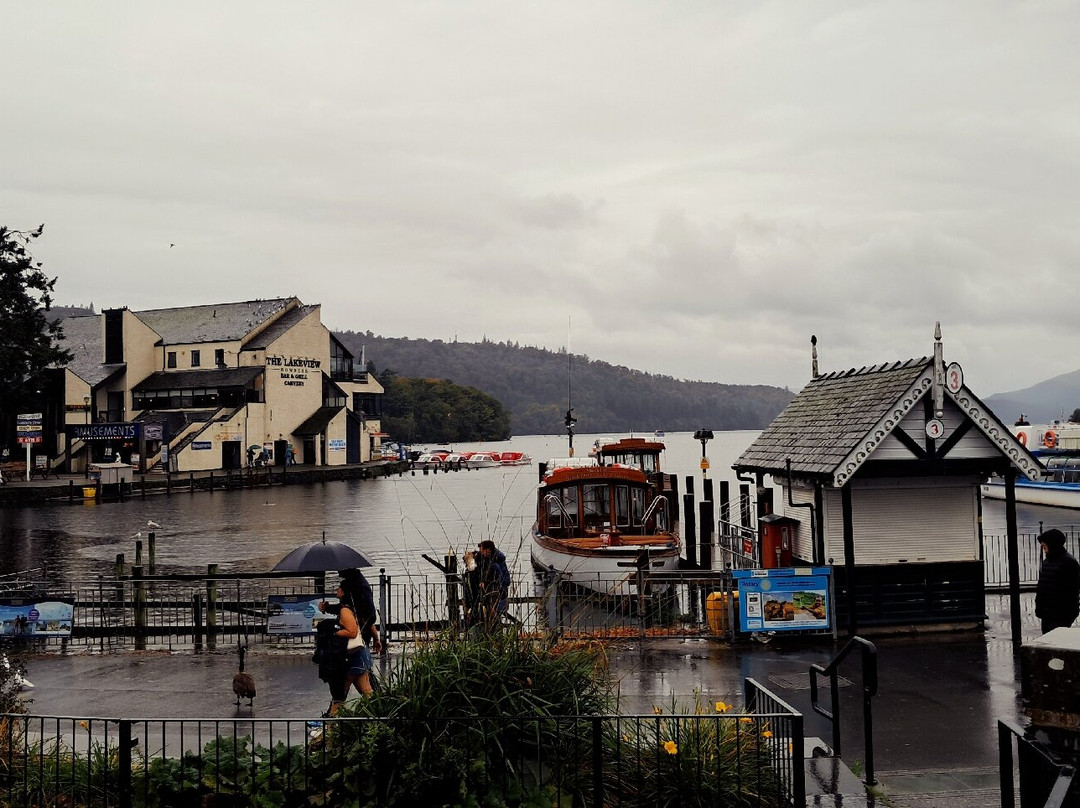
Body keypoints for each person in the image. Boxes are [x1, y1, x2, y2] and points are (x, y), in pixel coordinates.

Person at [316, 569, 382, 714]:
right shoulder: (356, 600)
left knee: (340, 692)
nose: (336, 590)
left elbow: (353, 630)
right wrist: (376, 639)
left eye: (339, 588)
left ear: (345, 592)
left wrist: (334, 632)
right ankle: (380, 714)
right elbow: (368, 619)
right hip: (360, 652)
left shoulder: (347, 608)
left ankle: (331, 724)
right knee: (367, 690)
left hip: (352, 654)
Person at [1035, 528, 1080, 634]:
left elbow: (1072, 591)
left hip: (1060, 614)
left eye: (1044, 542)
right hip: (1047, 613)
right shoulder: (1048, 561)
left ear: (1052, 544)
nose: (1042, 545)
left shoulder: (1069, 562)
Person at [476, 540, 511, 625]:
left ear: (488, 550)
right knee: (493, 613)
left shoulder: (495, 563)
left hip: (497, 591)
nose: (481, 552)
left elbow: (499, 578)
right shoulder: (491, 559)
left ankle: (495, 631)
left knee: (494, 614)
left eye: (482, 550)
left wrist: (485, 582)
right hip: (496, 590)